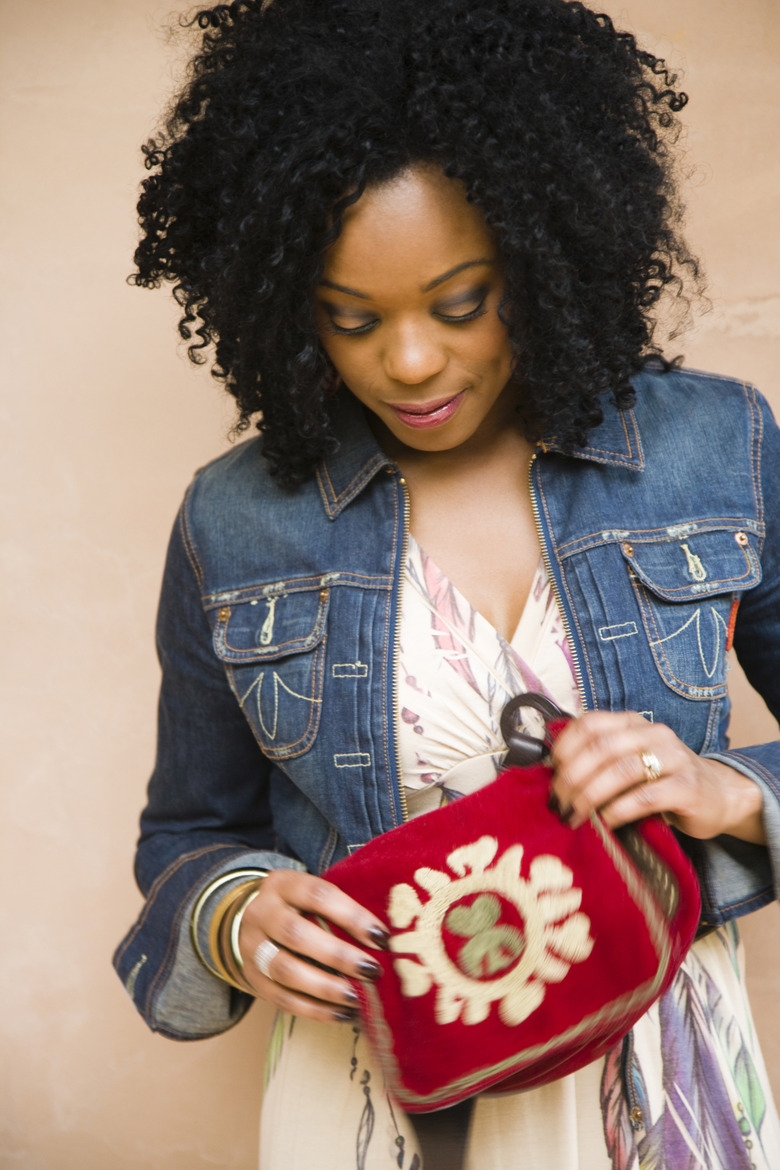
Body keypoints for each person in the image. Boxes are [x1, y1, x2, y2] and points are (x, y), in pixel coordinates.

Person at [114, 0, 780, 1166]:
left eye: (461, 303)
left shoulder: (716, 450)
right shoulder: (237, 523)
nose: (410, 361)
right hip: (374, 1102)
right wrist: (238, 918)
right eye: (349, 320)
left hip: (659, 1075)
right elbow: (191, 834)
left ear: (545, 253)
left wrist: (722, 790)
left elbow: (733, 791)